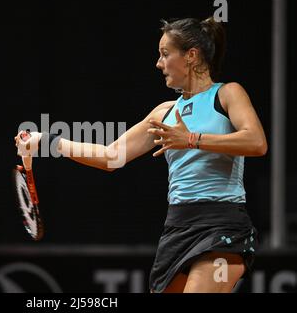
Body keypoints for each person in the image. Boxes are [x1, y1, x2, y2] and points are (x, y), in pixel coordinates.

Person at [15, 17, 267, 293]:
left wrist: (192, 140)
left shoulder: (227, 94)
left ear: (191, 56)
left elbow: (256, 142)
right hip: (178, 227)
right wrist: (46, 141)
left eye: (165, 54)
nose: (158, 64)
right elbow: (110, 156)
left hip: (222, 225)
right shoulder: (164, 113)